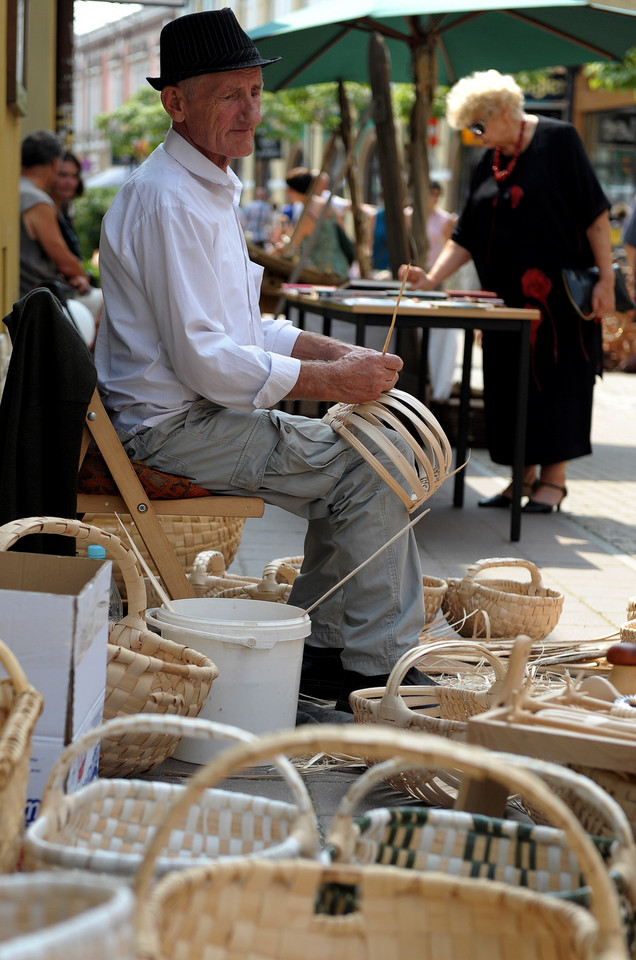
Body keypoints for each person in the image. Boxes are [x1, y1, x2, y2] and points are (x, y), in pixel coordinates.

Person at [94, 8, 433, 713]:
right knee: (374, 469)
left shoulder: (207, 187)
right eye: (229, 95)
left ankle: (322, 652)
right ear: (176, 102)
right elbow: (206, 361)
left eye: (254, 92)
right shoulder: (167, 199)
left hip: (196, 412)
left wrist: (337, 351)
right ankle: (376, 672)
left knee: (361, 462)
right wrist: (334, 381)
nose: (249, 110)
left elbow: (246, 329)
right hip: (173, 426)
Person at [400, 69, 615, 514]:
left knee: (556, 385)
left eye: (478, 126)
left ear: (502, 112)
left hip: (559, 303)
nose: (475, 137)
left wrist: (608, 281)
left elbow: (595, 215)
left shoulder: (560, 140)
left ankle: (552, 482)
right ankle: (520, 477)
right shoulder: (491, 159)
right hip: (503, 304)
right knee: (507, 387)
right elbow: (466, 234)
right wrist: (431, 279)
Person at [20, 131, 102, 344]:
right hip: (42, 296)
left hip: (35, 292)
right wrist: (81, 276)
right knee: (110, 300)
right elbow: (64, 261)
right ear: (55, 163)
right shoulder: (36, 200)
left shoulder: (16, 189)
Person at [279, 167, 351, 278]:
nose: (286, 192)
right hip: (340, 265)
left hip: (326, 272)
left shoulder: (308, 215)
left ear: (296, 190)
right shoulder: (325, 204)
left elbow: (290, 244)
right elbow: (341, 228)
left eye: (289, 189)